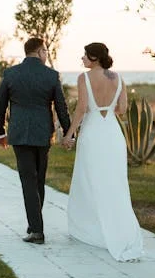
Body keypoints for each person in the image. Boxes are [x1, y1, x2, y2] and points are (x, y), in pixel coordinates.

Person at [62, 42, 144, 261]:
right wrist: (107, 110)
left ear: (94, 57)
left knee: (89, 180)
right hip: (113, 134)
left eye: (84, 55)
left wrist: (69, 133)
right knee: (114, 181)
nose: (82, 59)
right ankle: (116, 227)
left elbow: (81, 109)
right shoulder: (118, 78)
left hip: (92, 133)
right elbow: (123, 109)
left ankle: (92, 229)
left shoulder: (84, 78)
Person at [0, 37, 71, 244]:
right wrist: (68, 131)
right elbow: (61, 107)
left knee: (28, 180)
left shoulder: (11, 74)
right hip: (42, 133)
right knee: (38, 180)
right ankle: (35, 226)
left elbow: (0, 105)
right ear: (40, 52)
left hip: (19, 134)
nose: (46, 55)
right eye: (45, 52)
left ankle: (36, 229)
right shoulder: (52, 75)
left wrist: (0, 131)